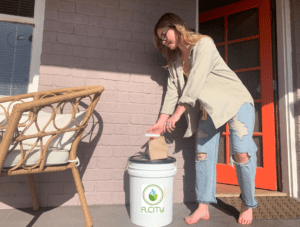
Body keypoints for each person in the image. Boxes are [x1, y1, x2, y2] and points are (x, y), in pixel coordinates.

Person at [146, 12, 258, 225]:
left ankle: (248, 203)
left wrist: (178, 113)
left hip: (236, 102)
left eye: (163, 34)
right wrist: (162, 121)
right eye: (159, 39)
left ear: (176, 27)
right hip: (210, 108)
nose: (163, 41)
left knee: (241, 153)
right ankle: (203, 206)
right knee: (202, 155)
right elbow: (172, 92)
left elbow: (196, 80)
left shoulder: (204, 44)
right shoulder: (176, 62)